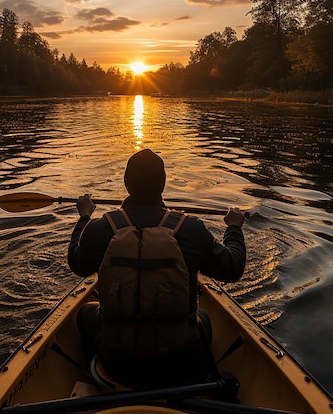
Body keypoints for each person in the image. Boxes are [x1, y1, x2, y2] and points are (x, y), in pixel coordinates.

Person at [68, 148, 247, 387]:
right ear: (163, 183)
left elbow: (77, 263)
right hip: (181, 364)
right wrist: (234, 227)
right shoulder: (191, 229)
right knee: (203, 317)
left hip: (118, 364)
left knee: (84, 314)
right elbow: (233, 267)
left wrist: (84, 218)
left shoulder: (101, 229)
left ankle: (94, 373)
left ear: (126, 182)